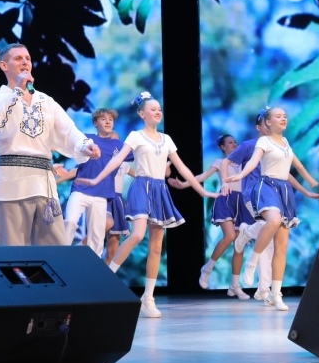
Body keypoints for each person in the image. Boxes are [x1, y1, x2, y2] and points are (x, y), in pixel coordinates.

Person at [75, 91, 218, 318]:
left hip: (160, 190)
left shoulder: (166, 139)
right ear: (142, 114)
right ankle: (107, 278)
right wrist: (96, 179)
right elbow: (116, 160)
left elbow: (182, 168)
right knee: (137, 234)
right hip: (142, 187)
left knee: (157, 245)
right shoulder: (135, 136)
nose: (158, 112)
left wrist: (201, 190)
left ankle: (148, 298)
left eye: (159, 109)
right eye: (153, 109)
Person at [0, 44, 101, 246]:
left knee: (55, 248)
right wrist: (17, 92)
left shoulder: (45, 101)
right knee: (15, 250)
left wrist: (84, 145)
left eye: (27, 58)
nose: (25, 62)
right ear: (3, 65)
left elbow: (68, 130)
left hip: (43, 183)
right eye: (18, 58)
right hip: (11, 182)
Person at [226, 107, 319, 311]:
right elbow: (253, 163)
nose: (283, 118)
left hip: (284, 190)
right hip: (266, 186)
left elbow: (295, 167)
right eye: (278, 116)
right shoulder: (264, 142)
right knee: (274, 220)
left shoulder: (285, 142)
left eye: (285, 116)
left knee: (282, 245)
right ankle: (252, 261)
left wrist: (308, 187)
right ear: (268, 122)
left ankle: (275, 294)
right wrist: (240, 176)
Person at [169, 134, 253, 300]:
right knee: (230, 236)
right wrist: (184, 184)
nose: (234, 144)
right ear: (223, 147)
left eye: (235, 142)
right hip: (226, 200)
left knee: (239, 245)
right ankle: (207, 268)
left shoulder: (244, 163)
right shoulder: (220, 162)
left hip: (241, 203)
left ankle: (235, 286)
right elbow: (201, 177)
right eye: (230, 142)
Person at [63, 108, 132, 257]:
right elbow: (69, 144)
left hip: (102, 194)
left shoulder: (119, 145)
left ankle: (92, 267)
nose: (108, 122)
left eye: (111, 119)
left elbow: (140, 155)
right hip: (80, 190)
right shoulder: (87, 139)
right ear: (95, 123)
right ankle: (61, 255)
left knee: (97, 235)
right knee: (70, 221)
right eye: (103, 119)